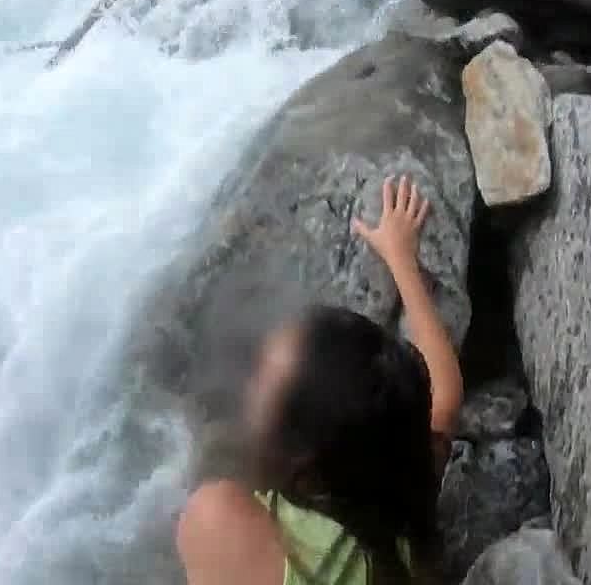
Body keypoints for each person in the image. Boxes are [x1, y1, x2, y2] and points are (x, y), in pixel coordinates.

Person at [176, 174, 464, 585]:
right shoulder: (403, 473)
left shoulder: (215, 516)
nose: (247, 371)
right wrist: (402, 259)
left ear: (306, 474)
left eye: (261, 380)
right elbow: (444, 389)